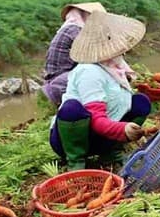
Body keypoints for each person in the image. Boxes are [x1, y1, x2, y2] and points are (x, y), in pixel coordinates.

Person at [49, 11, 151, 170]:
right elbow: (96, 118)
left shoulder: (114, 65)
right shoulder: (89, 72)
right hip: (75, 138)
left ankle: (110, 151)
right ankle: (76, 161)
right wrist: (122, 129)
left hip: (101, 135)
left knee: (140, 102)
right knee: (71, 109)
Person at [42, 2, 106, 106]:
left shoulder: (69, 28)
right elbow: (94, 57)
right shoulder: (74, 31)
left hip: (56, 78)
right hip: (59, 81)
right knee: (95, 72)